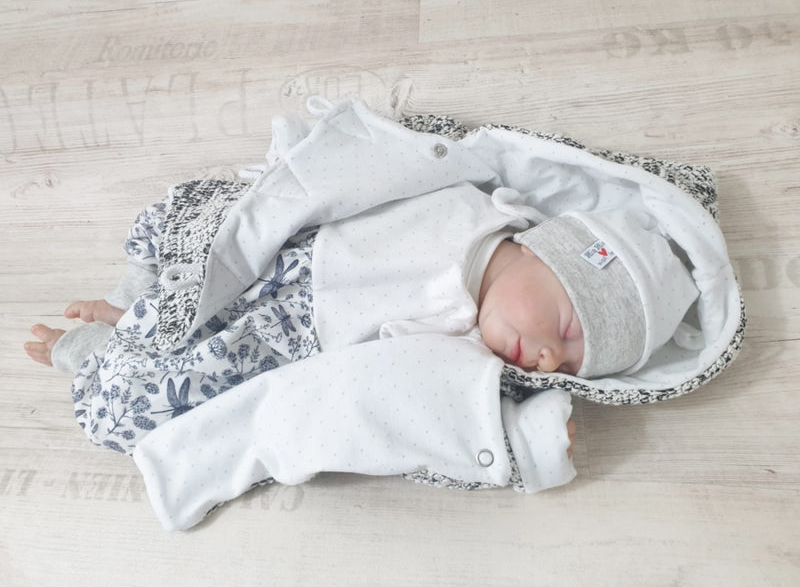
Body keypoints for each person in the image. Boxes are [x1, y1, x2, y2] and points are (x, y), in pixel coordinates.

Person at [24, 99, 703, 530]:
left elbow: (420, 414)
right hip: (283, 255)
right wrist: (306, 154)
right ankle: (129, 303)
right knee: (186, 227)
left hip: (278, 345)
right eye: (568, 327)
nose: (552, 356)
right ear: (538, 249)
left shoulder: (468, 351)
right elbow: (373, 172)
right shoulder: (471, 200)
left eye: (573, 363)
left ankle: (91, 350)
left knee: (139, 404)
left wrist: (528, 442)